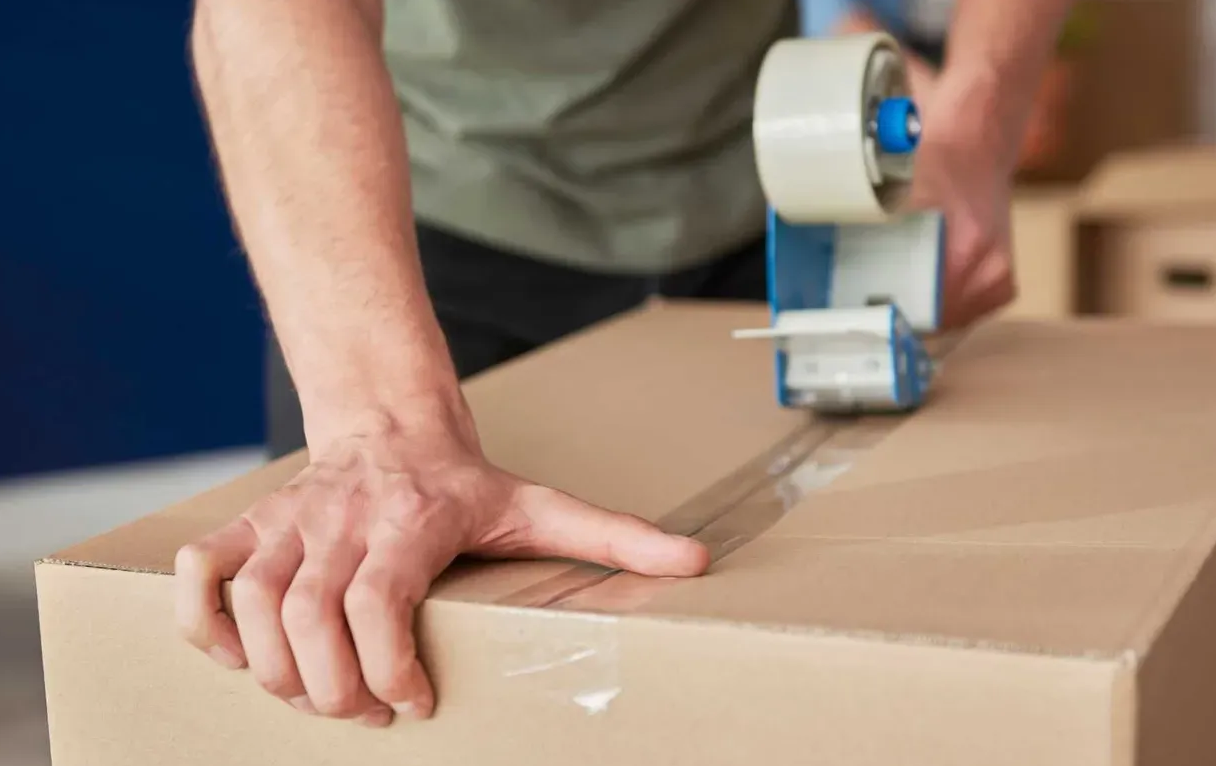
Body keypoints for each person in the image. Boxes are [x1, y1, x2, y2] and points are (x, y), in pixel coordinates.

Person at [174, 0, 1078, 729]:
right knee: (350, 640)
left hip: (754, 194)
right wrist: (384, 428)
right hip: (415, 229)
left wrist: (978, 124)